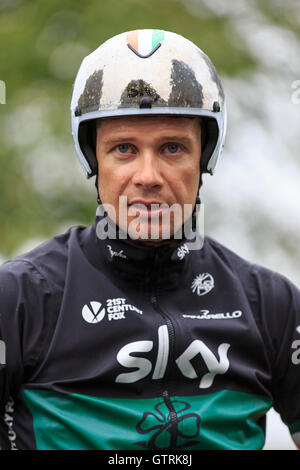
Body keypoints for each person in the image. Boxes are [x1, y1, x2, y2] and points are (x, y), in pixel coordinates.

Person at [0, 28, 299, 451]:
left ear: (205, 157)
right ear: (93, 160)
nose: (148, 177)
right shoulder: (19, 299)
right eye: (123, 149)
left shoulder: (272, 304)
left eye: (172, 148)